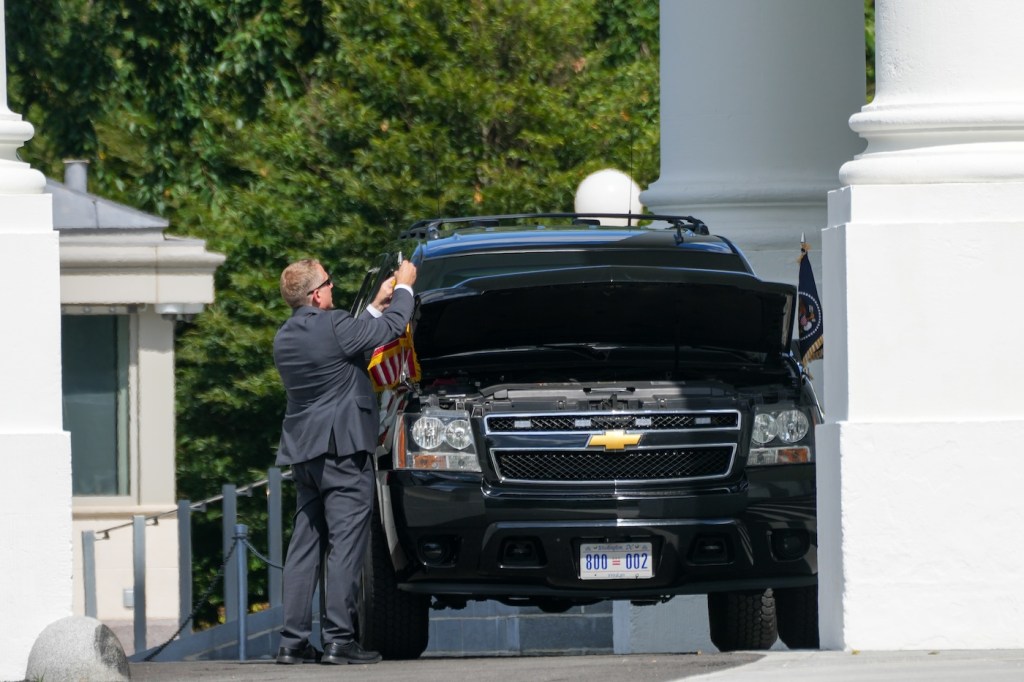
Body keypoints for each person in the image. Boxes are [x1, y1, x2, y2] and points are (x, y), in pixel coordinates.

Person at [272, 257, 417, 665]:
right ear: (317, 294)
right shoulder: (333, 324)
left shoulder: (284, 337)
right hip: (342, 451)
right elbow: (388, 330)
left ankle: (293, 642)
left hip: (304, 453)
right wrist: (404, 287)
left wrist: (376, 301)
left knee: (304, 546)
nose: (334, 289)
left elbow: (353, 337)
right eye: (330, 283)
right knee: (345, 545)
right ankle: (339, 638)